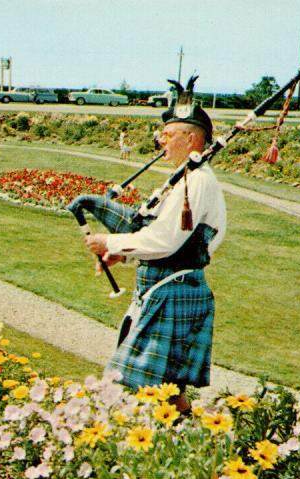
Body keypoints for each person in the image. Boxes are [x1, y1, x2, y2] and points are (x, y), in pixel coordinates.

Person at [84, 76, 226, 414]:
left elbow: (166, 240)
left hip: (172, 293)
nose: (160, 140)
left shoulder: (198, 181)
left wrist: (110, 240)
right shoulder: (185, 179)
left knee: (128, 384)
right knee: (168, 392)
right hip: (166, 290)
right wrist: (123, 255)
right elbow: (167, 239)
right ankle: (184, 442)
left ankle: (149, 445)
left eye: (167, 134)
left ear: (191, 138)